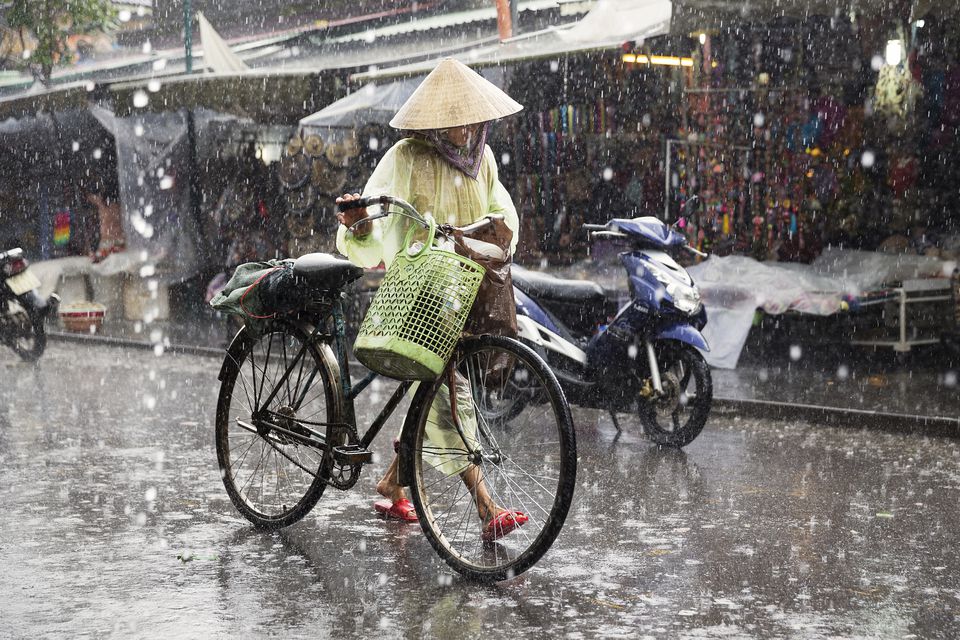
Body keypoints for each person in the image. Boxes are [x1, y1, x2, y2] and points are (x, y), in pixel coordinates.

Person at [335, 58, 526, 540]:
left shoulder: (485, 160)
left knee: (436, 389)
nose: (464, 128)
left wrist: (493, 235)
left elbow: (503, 215)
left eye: (470, 118)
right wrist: (360, 223)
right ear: (437, 119)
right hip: (420, 290)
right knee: (448, 391)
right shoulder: (406, 156)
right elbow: (376, 208)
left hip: (464, 290)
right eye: (454, 119)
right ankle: (487, 506)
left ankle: (393, 483)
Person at [81, 178, 126, 263]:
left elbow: (88, 196)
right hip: (119, 240)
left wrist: (82, 187)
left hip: (107, 240)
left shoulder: (101, 203)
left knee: (100, 262)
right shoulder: (122, 206)